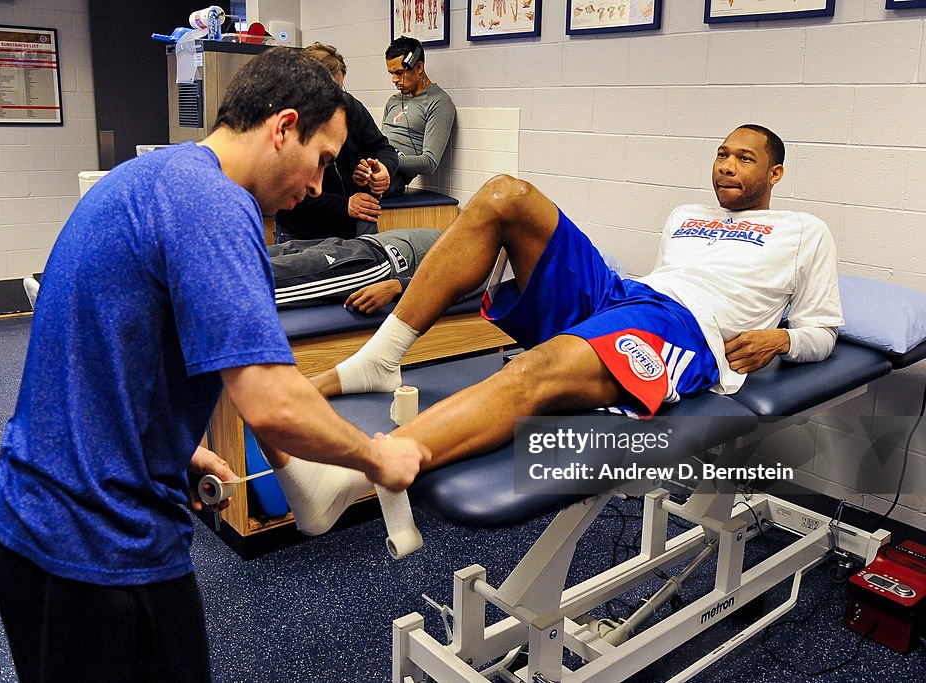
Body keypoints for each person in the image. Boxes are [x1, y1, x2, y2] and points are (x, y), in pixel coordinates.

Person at [0, 48, 429, 683]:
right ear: (282, 128)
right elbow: (272, 405)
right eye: (323, 160)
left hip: (28, 523)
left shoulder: (150, 178)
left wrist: (171, 446)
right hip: (94, 549)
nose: (321, 186)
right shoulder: (216, 203)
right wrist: (377, 459)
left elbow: (93, 355)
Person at [275, 124, 843, 536]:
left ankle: (349, 481)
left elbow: (822, 331)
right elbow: (663, 278)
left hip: (685, 329)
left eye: (743, 158)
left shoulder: (803, 231)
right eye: (721, 154)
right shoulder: (687, 216)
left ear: (775, 172)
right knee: (506, 194)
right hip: (629, 294)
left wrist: (782, 338)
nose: (725, 165)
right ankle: (383, 355)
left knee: (535, 369)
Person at [24, 228, 447, 313]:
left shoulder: (493, 256)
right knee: (244, 257)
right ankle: (72, 289)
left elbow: (466, 289)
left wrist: (397, 285)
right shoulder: (474, 229)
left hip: (374, 265)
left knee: (250, 285)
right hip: (355, 246)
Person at [274, 43, 399, 243]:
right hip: (299, 235)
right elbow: (284, 194)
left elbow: (382, 148)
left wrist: (383, 169)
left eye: (339, 89)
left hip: (347, 232)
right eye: (328, 91)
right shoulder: (287, 120)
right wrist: (344, 205)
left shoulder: (349, 107)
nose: (335, 99)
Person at [271, 228, 442, 310]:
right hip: (359, 244)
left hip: (379, 262)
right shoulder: (461, 234)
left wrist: (399, 286)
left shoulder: (469, 251)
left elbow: (454, 285)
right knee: (268, 252)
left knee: (275, 277)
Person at [369, 37, 455, 197]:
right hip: (375, 163)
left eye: (399, 73)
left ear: (419, 67)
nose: (394, 80)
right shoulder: (393, 101)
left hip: (392, 174)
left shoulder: (439, 102)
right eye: (391, 73)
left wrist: (388, 160)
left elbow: (429, 163)